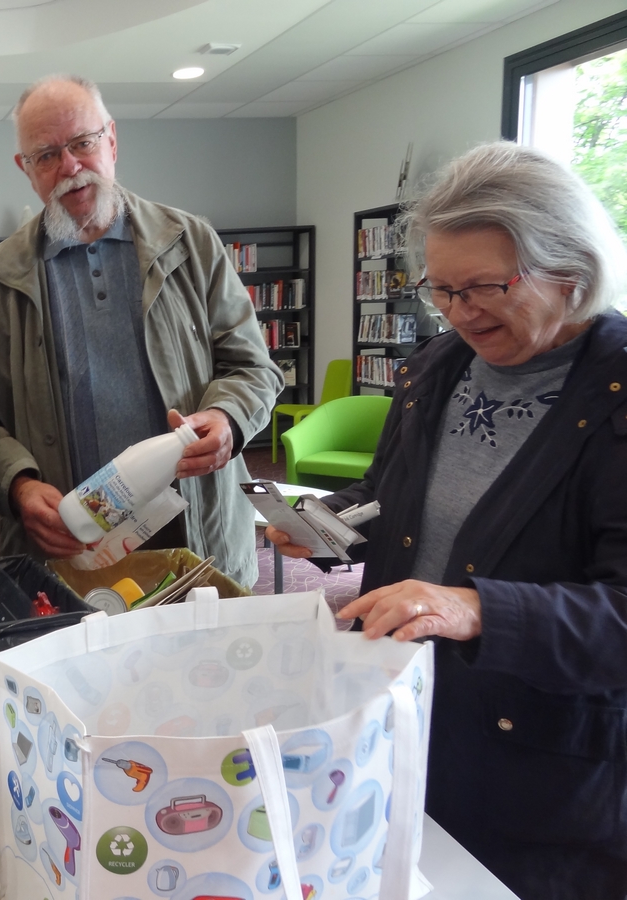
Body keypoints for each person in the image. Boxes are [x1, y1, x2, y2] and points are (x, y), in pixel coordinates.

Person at [268, 143, 627, 900]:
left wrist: (475, 608)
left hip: (544, 768)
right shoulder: (438, 368)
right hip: (413, 714)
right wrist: (326, 525)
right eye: (443, 290)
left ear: (571, 270)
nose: (461, 312)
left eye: (486, 287)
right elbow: (388, 496)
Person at [0, 75, 283, 586]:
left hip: (199, 541)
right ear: (26, 169)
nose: (70, 166)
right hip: (69, 557)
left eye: (83, 142)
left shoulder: (192, 244)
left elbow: (253, 367)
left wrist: (227, 417)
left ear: (112, 140)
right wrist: (18, 485)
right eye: (47, 154)